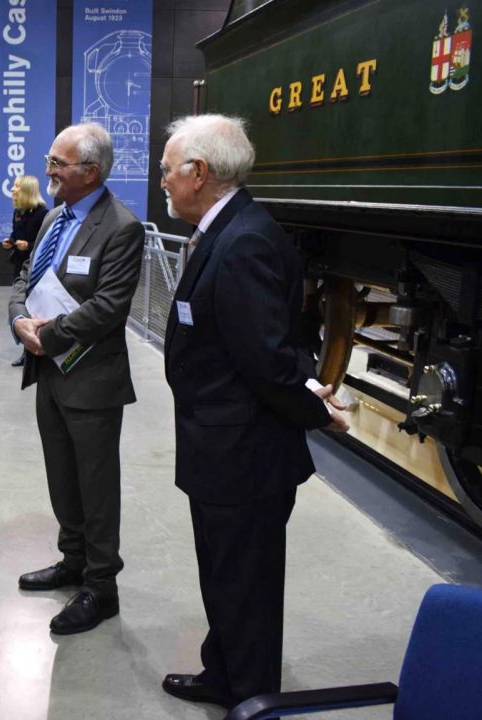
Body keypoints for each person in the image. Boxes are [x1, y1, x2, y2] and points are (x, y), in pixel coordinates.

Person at [158, 114, 349, 712]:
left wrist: (314, 409)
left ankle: (252, 698)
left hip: (242, 455)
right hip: (221, 446)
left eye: (168, 170)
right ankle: (225, 674)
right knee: (226, 578)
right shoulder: (229, 231)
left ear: (199, 173)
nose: (162, 180)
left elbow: (266, 356)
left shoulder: (241, 242)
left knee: (246, 585)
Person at [8, 122, 145, 635]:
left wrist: (52, 334)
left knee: (95, 483)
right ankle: (72, 561)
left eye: (57, 163)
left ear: (89, 172)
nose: (48, 171)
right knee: (62, 475)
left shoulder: (121, 227)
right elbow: (28, 275)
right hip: (51, 372)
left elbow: (110, 306)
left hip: (91, 379)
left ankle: (101, 586)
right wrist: (19, 318)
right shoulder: (54, 219)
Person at [1, 175, 47, 366]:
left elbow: (44, 243)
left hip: (37, 270)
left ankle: (38, 347)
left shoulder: (43, 214)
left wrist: (27, 245)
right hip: (20, 267)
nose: (12, 190)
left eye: (17, 187)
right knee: (22, 307)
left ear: (27, 191)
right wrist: (10, 242)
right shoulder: (18, 212)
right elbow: (16, 234)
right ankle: (27, 350)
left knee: (36, 309)